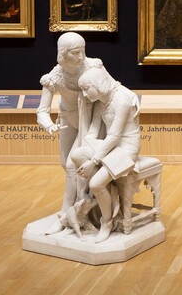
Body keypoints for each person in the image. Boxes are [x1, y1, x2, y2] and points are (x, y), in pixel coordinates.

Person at [36, 32, 106, 233]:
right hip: (67, 119)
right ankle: (79, 209)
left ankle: (66, 214)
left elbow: (109, 88)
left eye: (82, 51)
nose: (81, 57)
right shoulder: (54, 77)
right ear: (63, 53)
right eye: (75, 53)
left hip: (90, 120)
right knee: (65, 165)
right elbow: (42, 111)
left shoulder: (93, 66)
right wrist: (49, 125)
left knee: (72, 166)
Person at [70, 67, 142, 243]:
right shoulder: (101, 101)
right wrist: (87, 145)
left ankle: (107, 222)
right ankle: (108, 190)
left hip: (126, 148)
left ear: (97, 84)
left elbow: (114, 135)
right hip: (109, 146)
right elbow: (93, 132)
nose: (85, 94)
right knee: (77, 155)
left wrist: (93, 162)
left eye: (86, 89)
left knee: (95, 184)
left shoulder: (122, 99)